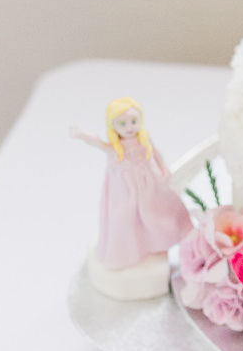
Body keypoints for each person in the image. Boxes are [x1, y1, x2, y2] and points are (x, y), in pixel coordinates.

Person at [70, 97, 192, 269]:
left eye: (133, 121)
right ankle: (132, 250)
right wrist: (82, 135)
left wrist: (164, 169)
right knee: (126, 219)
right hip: (127, 192)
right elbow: (97, 142)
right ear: (113, 125)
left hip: (151, 184)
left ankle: (169, 238)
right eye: (123, 123)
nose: (129, 127)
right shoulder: (115, 147)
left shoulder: (144, 138)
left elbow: (157, 154)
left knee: (160, 211)